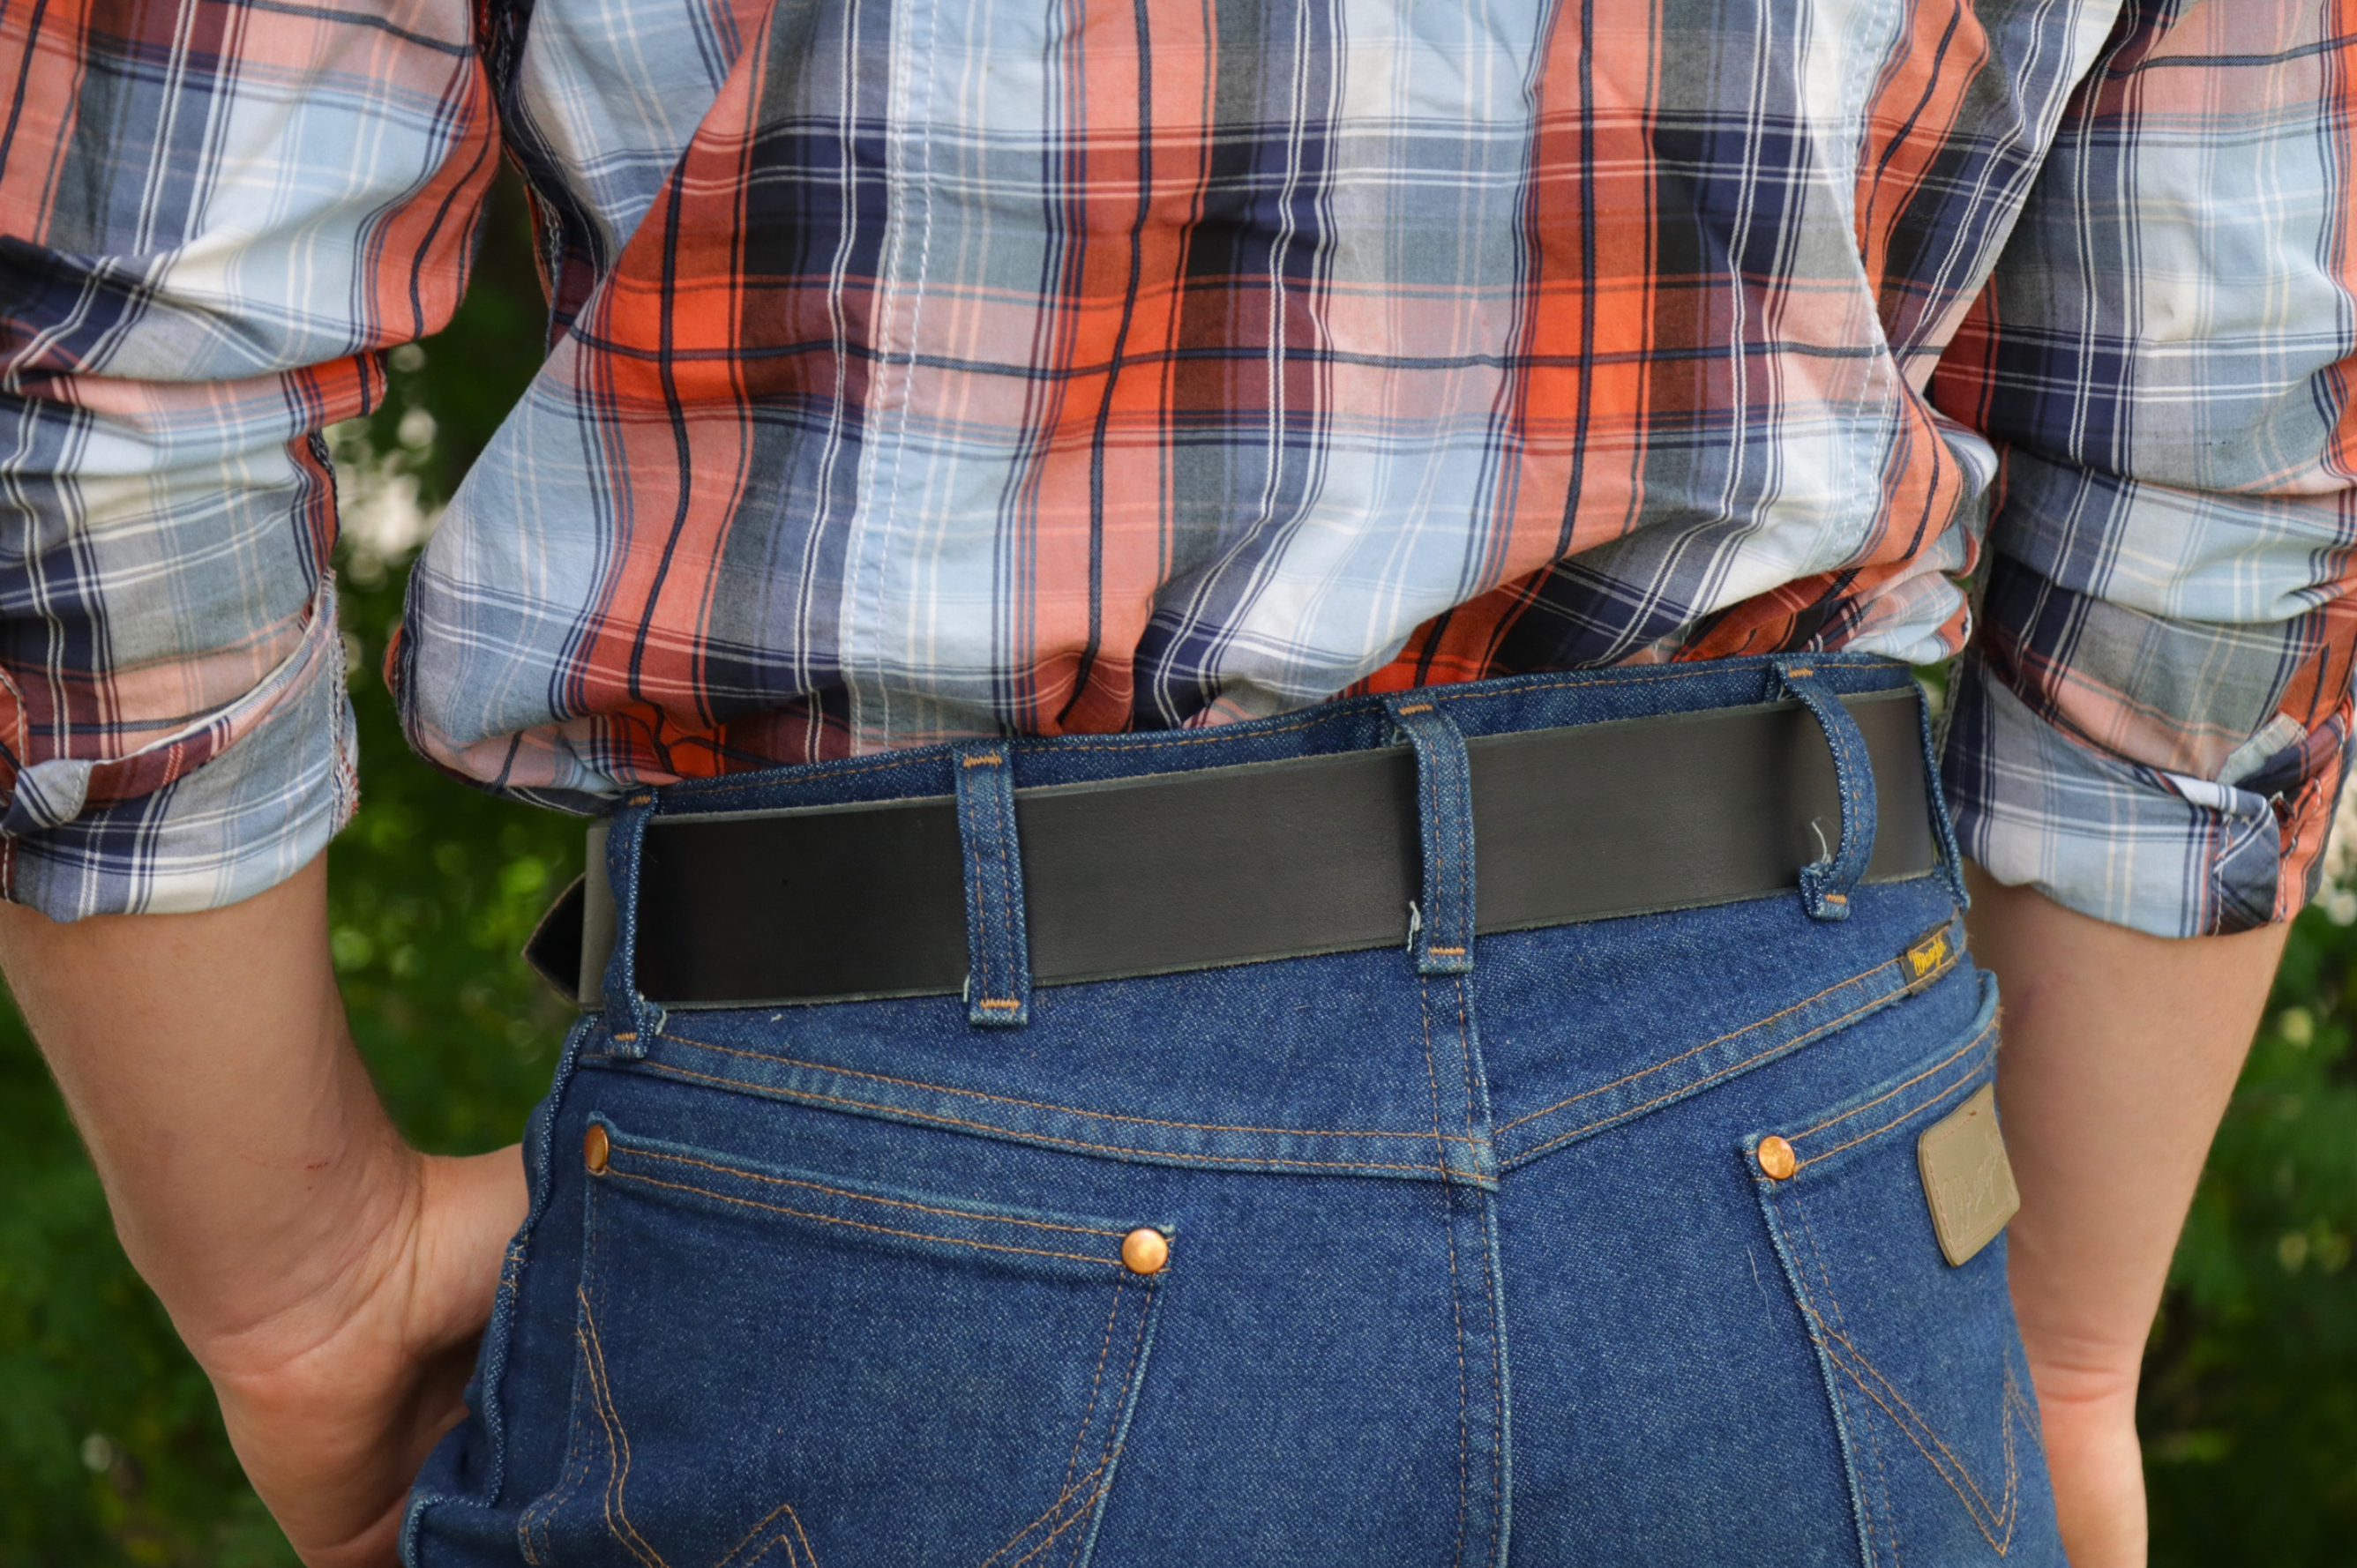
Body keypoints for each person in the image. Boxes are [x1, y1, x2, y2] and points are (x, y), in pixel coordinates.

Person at [0, 0, 2344, 1562]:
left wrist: (300, 1291)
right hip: (1803, 1167)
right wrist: (2058, 1348)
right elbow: (2231, 470)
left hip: (907, 1178)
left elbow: (101, 393)